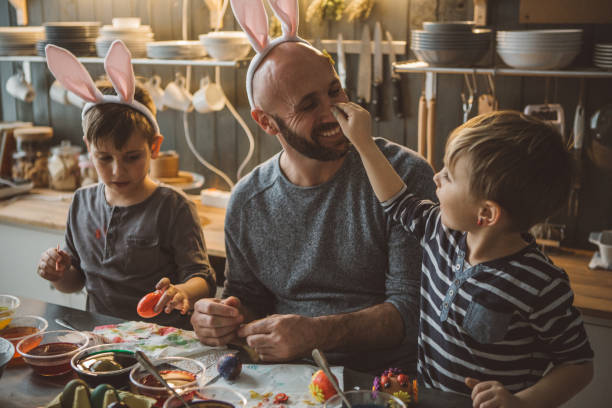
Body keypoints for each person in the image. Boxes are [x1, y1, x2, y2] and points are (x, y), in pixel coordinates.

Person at [190, 0, 436, 373]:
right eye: (308, 106)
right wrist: (224, 316)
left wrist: (315, 333)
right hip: (282, 377)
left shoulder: (404, 176)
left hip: (380, 381)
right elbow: (250, 297)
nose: (334, 111)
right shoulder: (247, 200)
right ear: (267, 123)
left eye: (334, 90)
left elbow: (412, 313)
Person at [333, 104, 594, 406]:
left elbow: (579, 365)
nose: (436, 178)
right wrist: (363, 143)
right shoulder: (439, 232)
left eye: (449, 176)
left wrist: (521, 402)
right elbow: (397, 200)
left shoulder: (541, 283)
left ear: (486, 213)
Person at [36, 41, 215, 329]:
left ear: (154, 147)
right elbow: (75, 281)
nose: (117, 170)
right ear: (88, 148)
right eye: (104, 158)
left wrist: (181, 291)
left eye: (132, 157)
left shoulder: (173, 207)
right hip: (100, 337)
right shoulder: (81, 203)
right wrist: (57, 274)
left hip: (162, 340)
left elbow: (204, 280)